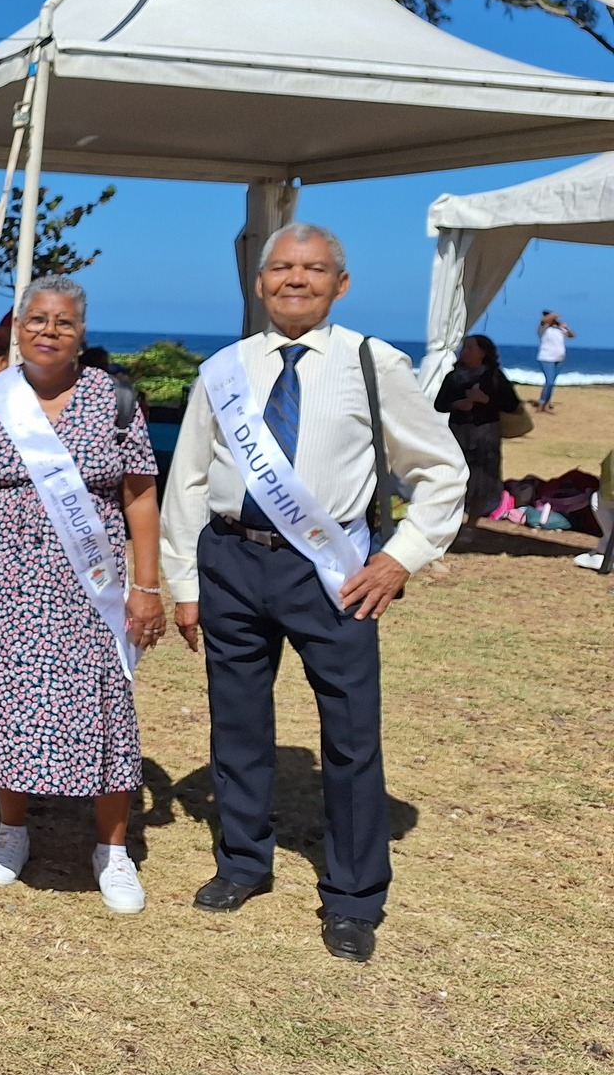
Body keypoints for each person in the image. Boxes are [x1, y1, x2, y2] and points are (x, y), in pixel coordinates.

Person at [160, 222, 467, 962]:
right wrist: (185, 582)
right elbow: (189, 480)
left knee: (352, 736)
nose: (295, 279)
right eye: (282, 268)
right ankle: (242, 862)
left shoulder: (374, 363)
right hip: (232, 560)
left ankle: (354, 897)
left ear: (341, 284)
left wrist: (400, 560)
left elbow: (442, 471)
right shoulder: (224, 369)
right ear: (259, 281)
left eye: (314, 268)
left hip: (334, 573)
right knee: (237, 723)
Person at [0, 276, 164, 913]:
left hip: (90, 591)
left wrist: (147, 587)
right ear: (18, 328)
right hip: (0, 587)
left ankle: (112, 849)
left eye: (63, 322)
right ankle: (11, 829)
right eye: (37, 319)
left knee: (104, 707)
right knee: (6, 704)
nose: (49, 331)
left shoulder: (115, 399)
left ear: (81, 333)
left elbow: (140, 497)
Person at [434, 333, 520, 521]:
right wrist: (457, 404)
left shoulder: (494, 376)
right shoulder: (453, 377)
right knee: (456, 476)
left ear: (483, 353)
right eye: (464, 347)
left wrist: (486, 400)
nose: (464, 351)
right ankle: (454, 518)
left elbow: (512, 405)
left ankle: (473, 521)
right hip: (459, 434)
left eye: (470, 348)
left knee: (483, 481)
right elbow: (439, 404)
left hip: (485, 437)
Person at [535, 310, 574, 412]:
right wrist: (554, 316)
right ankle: (542, 403)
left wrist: (566, 328)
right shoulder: (544, 329)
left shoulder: (559, 329)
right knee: (550, 381)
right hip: (546, 358)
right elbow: (544, 321)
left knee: (552, 383)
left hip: (559, 359)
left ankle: (546, 404)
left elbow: (572, 335)